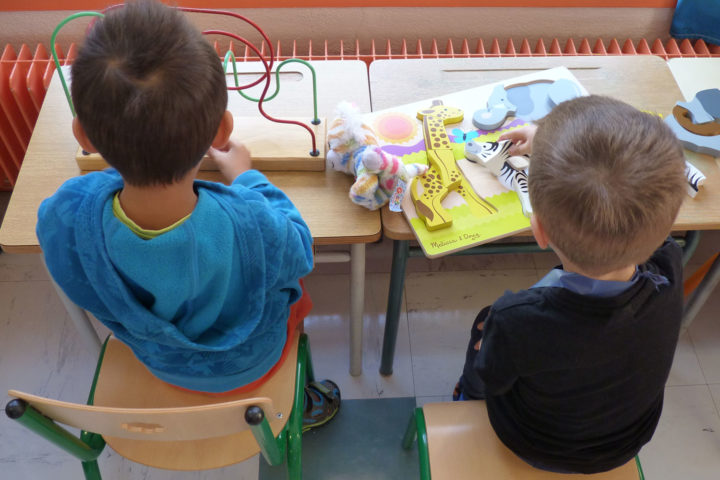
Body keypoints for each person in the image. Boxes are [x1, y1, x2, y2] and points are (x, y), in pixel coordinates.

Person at [36, 0, 339, 431]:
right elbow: (298, 251)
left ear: (83, 135)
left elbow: (76, 275)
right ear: (221, 130)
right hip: (253, 366)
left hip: (162, 364)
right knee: (296, 293)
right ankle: (301, 401)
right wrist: (249, 181)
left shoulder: (62, 217)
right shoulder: (254, 223)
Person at [453, 95, 687, 474]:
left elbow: (496, 376)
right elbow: (624, 180)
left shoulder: (516, 318)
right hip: (626, 440)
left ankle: (465, 397)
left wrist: (546, 144)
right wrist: (546, 141)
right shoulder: (670, 266)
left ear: (539, 230)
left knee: (485, 324)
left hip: (533, 442)